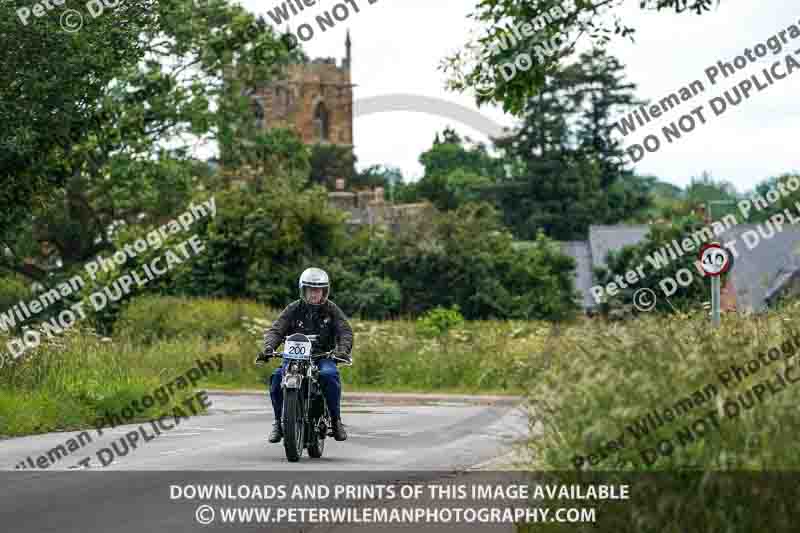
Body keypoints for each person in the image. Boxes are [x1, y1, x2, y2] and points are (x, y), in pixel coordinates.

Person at [255, 267, 353, 444]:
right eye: (311, 289)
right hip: (293, 358)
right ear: (303, 290)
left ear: (324, 291)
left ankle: (336, 421)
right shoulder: (293, 309)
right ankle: (278, 422)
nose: (314, 294)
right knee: (277, 378)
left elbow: (345, 331)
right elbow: (277, 330)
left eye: (318, 290)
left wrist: (342, 351)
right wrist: (269, 347)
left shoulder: (332, 310)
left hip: (322, 356)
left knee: (329, 375)